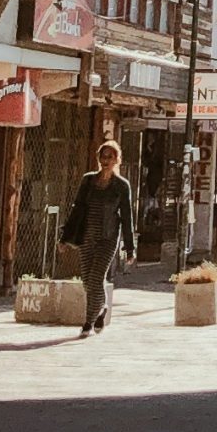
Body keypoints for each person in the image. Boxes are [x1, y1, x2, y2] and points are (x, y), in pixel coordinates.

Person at [61, 138, 138, 338]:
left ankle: (88, 322)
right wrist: (65, 238)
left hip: (108, 238)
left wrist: (129, 248)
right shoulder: (88, 180)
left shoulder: (122, 186)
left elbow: (127, 217)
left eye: (110, 157)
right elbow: (77, 209)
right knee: (88, 281)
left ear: (117, 160)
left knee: (96, 278)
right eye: (103, 156)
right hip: (87, 236)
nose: (105, 160)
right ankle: (102, 308)